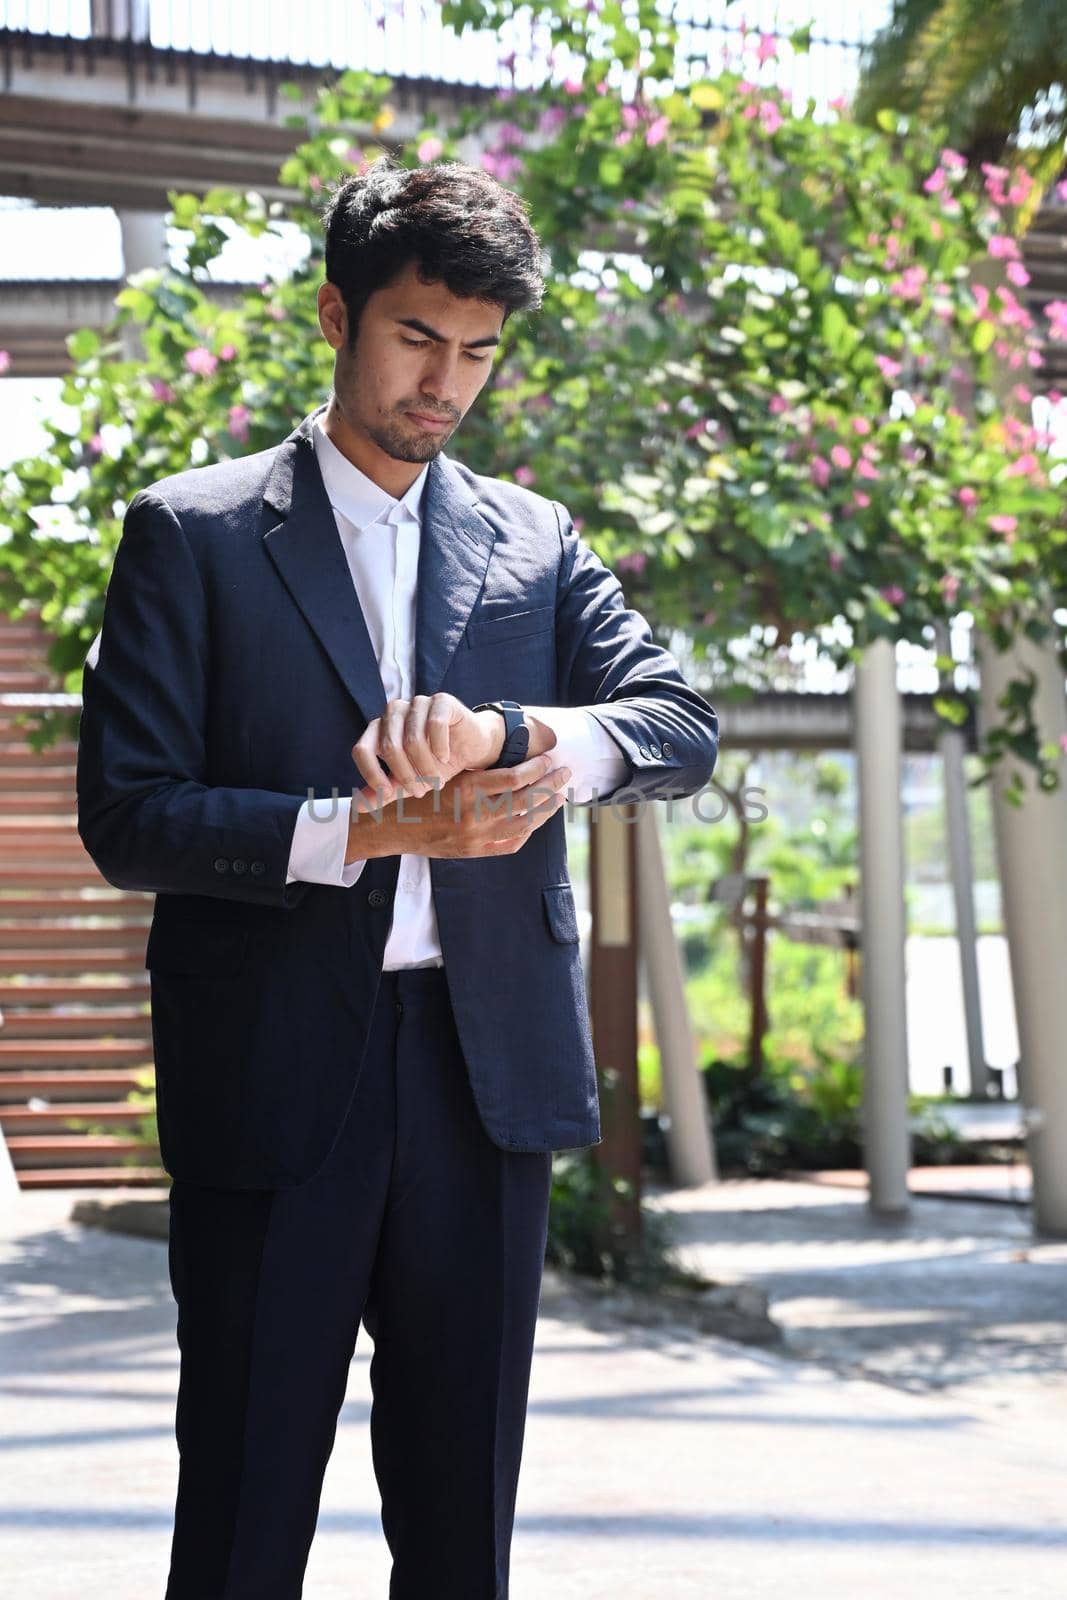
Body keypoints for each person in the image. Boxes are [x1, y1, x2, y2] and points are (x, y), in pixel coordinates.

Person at [76, 155, 719, 1599]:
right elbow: (128, 817)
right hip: (276, 1075)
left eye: (479, 353)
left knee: (460, 1535)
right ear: (336, 315)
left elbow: (678, 729)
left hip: (481, 1083)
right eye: (418, 337)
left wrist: (511, 732)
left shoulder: (535, 542)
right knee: (242, 1529)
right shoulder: (195, 534)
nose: (447, 382)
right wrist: (362, 831)